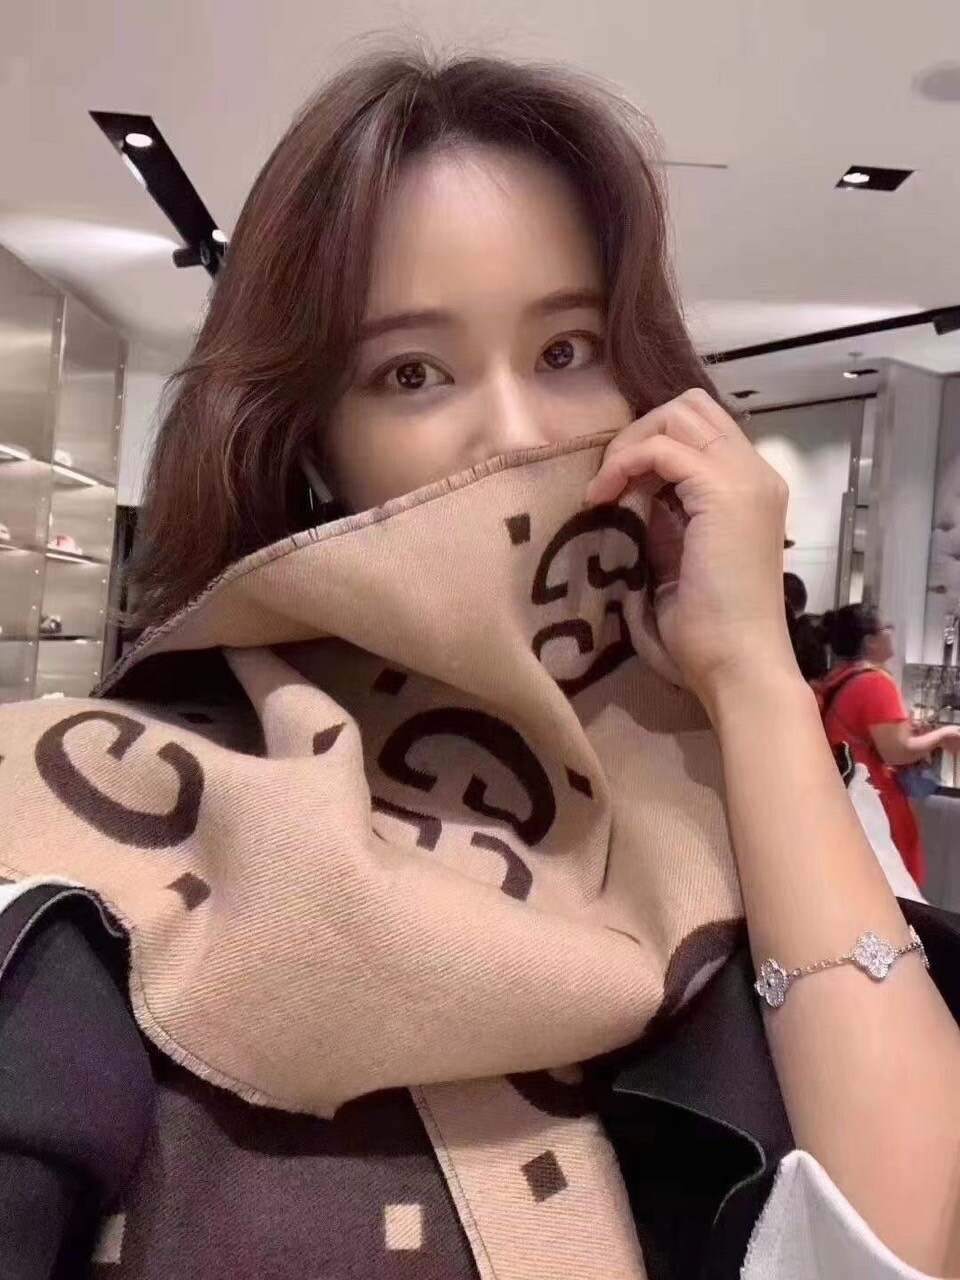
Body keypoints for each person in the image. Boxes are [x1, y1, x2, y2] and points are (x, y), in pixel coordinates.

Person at [2, 50, 960, 1280]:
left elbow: (911, 1236)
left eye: (567, 350)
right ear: (314, 443)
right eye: (413, 372)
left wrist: (754, 681)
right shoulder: (114, 807)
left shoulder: (742, 783)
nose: (513, 433)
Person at [815, 605, 960, 888]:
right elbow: (897, 751)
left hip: (843, 796)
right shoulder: (875, 683)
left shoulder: (837, 678)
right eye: (886, 629)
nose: (891, 633)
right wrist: (942, 736)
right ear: (870, 641)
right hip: (875, 800)